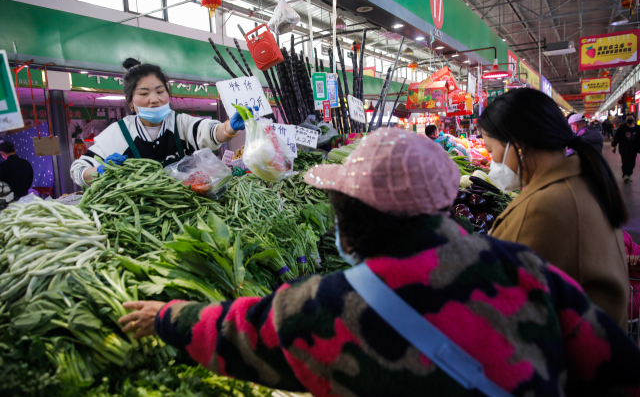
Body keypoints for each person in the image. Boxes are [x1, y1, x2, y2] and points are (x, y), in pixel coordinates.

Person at [119, 127, 640, 397]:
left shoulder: (330, 305)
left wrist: (166, 316)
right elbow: (613, 365)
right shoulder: (523, 269)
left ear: (349, 220)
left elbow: (245, 331)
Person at [480, 88, 629, 329]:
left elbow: (501, 300)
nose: (492, 160)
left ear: (517, 146)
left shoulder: (545, 208)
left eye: (490, 149)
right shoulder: (582, 178)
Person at [70, 58, 246, 186]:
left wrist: (229, 127)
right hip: (136, 219)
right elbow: (78, 168)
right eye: (144, 94)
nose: (154, 99)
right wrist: (99, 172)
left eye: (160, 91)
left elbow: (209, 132)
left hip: (186, 210)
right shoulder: (119, 133)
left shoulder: (180, 124)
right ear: (130, 101)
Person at [612, 114, 640, 183]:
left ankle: (629, 174)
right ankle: (625, 175)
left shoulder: (637, 128)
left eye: (631, 118)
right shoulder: (622, 128)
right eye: (628, 118)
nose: (629, 119)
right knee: (625, 161)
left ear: (633, 119)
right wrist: (614, 145)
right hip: (624, 148)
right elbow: (617, 137)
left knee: (632, 163)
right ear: (626, 119)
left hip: (634, 148)